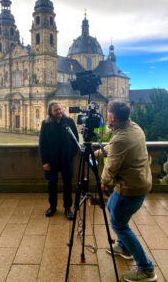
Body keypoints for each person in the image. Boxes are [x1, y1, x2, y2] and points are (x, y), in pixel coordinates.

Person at [94, 100, 157, 282]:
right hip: (140, 182)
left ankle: (146, 269)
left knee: (119, 224)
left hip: (131, 188)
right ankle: (123, 247)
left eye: (108, 113)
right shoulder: (133, 127)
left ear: (112, 117)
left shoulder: (122, 137)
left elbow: (111, 167)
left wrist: (103, 182)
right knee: (113, 208)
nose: (106, 115)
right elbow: (115, 147)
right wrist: (98, 153)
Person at [39, 101, 79, 220]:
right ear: (50, 112)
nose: (59, 112)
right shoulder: (46, 124)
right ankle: (53, 207)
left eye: (60, 109)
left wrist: (71, 154)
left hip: (66, 158)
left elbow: (75, 139)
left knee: (67, 184)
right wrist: (45, 162)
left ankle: (68, 208)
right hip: (51, 160)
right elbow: (42, 144)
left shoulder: (69, 122)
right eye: (56, 110)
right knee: (52, 184)